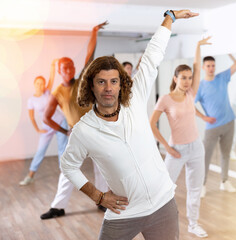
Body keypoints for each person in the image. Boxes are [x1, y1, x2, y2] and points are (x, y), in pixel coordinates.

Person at [60, 10, 199, 240]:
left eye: (114, 81)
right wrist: (98, 196)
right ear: (91, 87)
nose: (108, 88)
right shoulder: (84, 130)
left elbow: (153, 56)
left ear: (120, 83)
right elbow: (68, 166)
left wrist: (170, 17)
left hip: (163, 203)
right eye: (101, 82)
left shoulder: (134, 100)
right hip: (124, 212)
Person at [40, 21, 109, 219]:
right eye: (65, 67)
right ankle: (58, 207)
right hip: (76, 134)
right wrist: (64, 131)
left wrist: (94, 32)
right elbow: (46, 117)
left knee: (102, 167)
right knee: (69, 169)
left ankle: (102, 201)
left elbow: (90, 56)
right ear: (60, 70)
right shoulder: (58, 92)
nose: (69, 69)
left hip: (95, 130)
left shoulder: (83, 81)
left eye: (71, 66)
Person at [150, 36, 211, 238]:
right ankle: (158, 224)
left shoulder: (191, 94)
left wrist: (198, 46)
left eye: (189, 77)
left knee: (195, 190)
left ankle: (193, 224)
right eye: (183, 77)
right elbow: (152, 124)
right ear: (175, 78)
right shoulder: (166, 99)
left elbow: (197, 67)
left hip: (196, 148)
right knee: (166, 190)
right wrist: (166, 147)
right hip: (176, 150)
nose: (187, 81)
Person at [195, 45, 236, 198]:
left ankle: (224, 181)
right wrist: (203, 117)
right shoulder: (200, 86)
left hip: (229, 123)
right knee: (206, 157)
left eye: (213, 66)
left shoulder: (222, 77)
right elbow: (189, 105)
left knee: (226, 155)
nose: (211, 68)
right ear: (204, 67)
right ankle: (202, 185)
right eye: (208, 66)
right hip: (212, 127)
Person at [19, 59, 68, 185]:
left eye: (42, 83)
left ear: (44, 85)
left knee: (62, 150)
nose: (40, 86)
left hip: (60, 122)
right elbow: (32, 117)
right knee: (40, 151)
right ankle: (30, 176)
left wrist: (52, 65)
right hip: (47, 127)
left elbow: (51, 78)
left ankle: (64, 176)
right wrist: (37, 129)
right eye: (37, 84)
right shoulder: (31, 100)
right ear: (34, 85)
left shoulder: (47, 92)